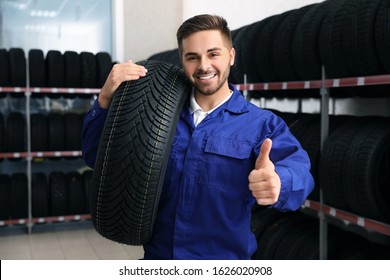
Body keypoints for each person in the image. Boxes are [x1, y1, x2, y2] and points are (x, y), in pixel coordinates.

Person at [82, 14, 314, 260]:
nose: (204, 66)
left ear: (231, 56)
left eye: (214, 54)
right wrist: (105, 99)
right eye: (192, 57)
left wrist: (279, 182)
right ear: (182, 61)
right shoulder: (157, 117)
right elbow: (98, 156)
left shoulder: (261, 124)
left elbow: (301, 172)